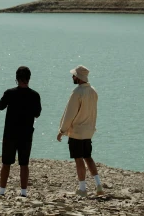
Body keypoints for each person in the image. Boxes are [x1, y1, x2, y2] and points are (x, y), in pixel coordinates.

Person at [57, 65, 103, 197]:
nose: (72, 77)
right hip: (88, 131)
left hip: (77, 131)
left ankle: (83, 189)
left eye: (74, 75)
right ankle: (98, 185)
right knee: (88, 157)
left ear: (78, 77)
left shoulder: (77, 92)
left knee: (78, 159)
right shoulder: (93, 91)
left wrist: (62, 130)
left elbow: (70, 113)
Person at [0, 66, 42, 197]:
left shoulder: (9, 93)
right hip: (26, 133)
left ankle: (2, 192)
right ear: (29, 78)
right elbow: (37, 114)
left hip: (10, 133)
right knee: (24, 164)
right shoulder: (34, 95)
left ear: (16, 79)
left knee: (6, 163)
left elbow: (0, 106)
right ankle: (23, 193)